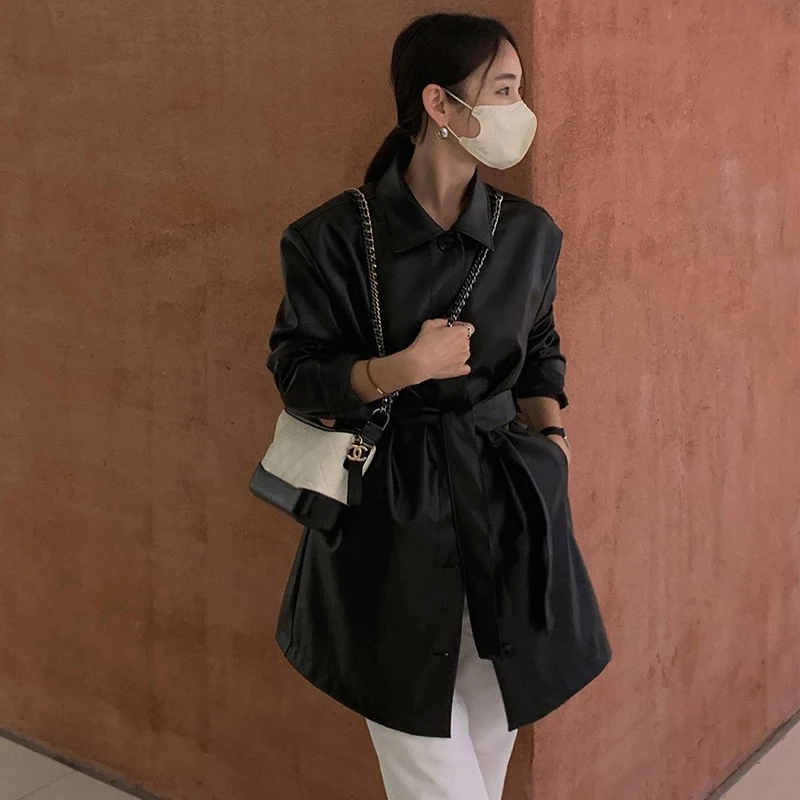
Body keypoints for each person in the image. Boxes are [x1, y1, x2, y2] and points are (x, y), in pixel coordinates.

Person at [265, 11, 613, 800]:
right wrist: (402, 368)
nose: (520, 110)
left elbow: (541, 347)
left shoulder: (529, 234)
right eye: (505, 90)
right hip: (387, 522)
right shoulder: (330, 239)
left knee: (483, 768)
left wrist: (553, 437)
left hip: (508, 514)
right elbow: (297, 373)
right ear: (439, 103)